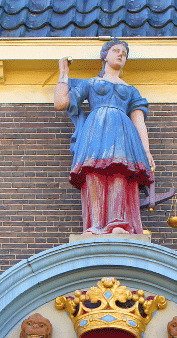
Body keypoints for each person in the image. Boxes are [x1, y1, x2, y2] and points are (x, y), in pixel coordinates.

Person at [53, 39, 155, 235]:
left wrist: (146, 151)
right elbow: (60, 103)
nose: (121, 55)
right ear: (105, 56)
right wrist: (64, 72)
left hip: (122, 133)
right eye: (116, 50)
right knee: (93, 171)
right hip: (96, 130)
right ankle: (95, 224)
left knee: (120, 171)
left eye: (124, 53)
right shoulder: (91, 83)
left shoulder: (131, 90)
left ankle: (117, 223)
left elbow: (139, 121)